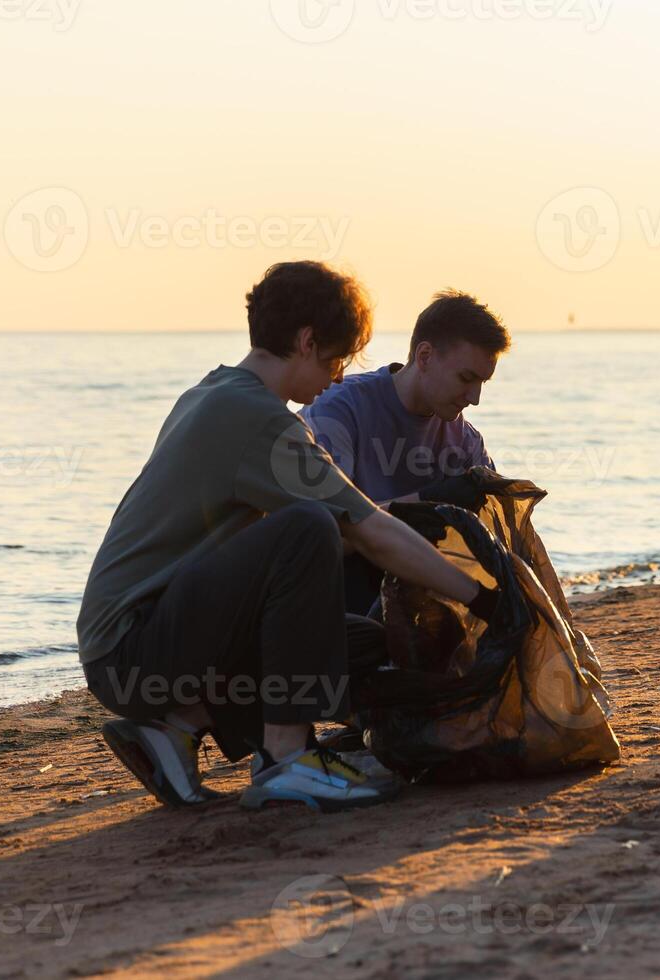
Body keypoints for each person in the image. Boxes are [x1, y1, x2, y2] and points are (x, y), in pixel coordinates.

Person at [76, 262, 499, 813]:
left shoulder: (215, 389)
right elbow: (368, 528)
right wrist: (484, 596)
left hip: (153, 642)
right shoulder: (259, 421)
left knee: (365, 642)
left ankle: (177, 726)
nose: (341, 377)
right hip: (131, 651)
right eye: (336, 359)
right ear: (306, 342)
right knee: (310, 526)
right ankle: (287, 758)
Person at [301, 289, 510, 617]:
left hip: (423, 601)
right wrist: (422, 503)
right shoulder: (338, 411)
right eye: (466, 378)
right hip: (334, 598)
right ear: (425, 356)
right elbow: (320, 539)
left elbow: (502, 542)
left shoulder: (467, 442)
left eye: (483, 383)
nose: (474, 398)